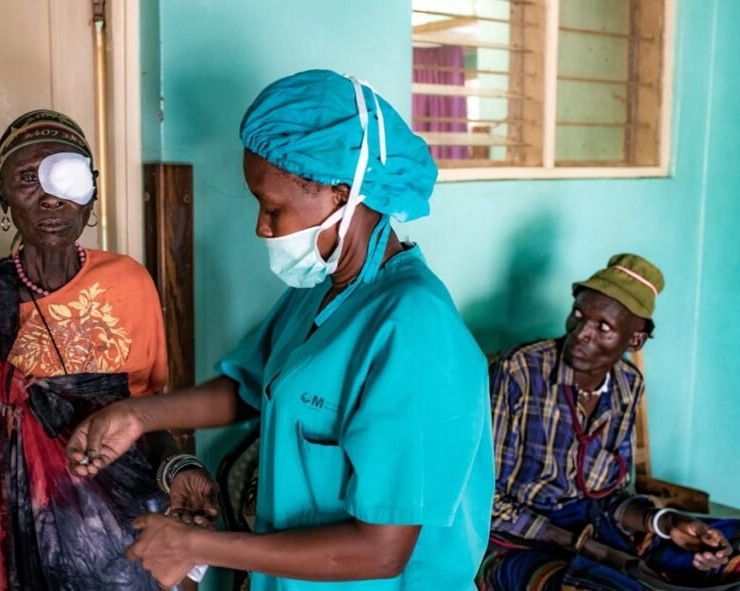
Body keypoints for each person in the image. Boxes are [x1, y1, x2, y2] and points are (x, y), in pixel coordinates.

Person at [63, 70, 495, 591]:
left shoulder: (413, 328)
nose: (261, 227)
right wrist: (136, 416)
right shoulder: (320, 288)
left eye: (273, 208)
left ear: (342, 195)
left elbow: (382, 552)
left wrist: (194, 545)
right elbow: (250, 388)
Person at [0, 110, 218, 591]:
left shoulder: (130, 283)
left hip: (129, 529)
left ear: (92, 191)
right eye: (26, 179)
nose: (48, 197)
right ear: (1, 193)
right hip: (21, 538)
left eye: (65, 177)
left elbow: (149, 413)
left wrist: (177, 466)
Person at [479, 254, 740, 590]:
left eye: (603, 327)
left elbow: (611, 494)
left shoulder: (627, 386)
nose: (581, 334)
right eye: (577, 315)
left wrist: (665, 522)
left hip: (598, 528)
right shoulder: (520, 372)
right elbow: (484, 498)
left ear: (635, 340)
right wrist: (581, 545)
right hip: (517, 538)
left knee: (727, 544)